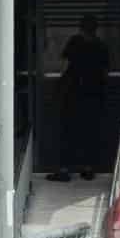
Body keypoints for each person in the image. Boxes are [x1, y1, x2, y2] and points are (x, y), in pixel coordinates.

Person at [48, 16, 112, 182]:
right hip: (94, 95)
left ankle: (64, 170)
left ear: (81, 28)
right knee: (90, 132)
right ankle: (88, 168)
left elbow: (63, 65)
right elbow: (105, 72)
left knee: (68, 132)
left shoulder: (75, 42)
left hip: (73, 94)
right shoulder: (101, 46)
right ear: (95, 29)